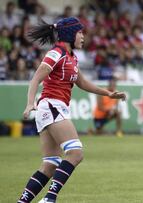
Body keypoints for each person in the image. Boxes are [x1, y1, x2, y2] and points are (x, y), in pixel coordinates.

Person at [17, 17, 126, 203]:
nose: (83, 36)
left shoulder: (71, 57)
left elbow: (82, 82)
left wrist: (108, 94)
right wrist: (29, 103)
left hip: (53, 109)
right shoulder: (56, 53)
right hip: (51, 106)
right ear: (69, 34)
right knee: (76, 153)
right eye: (80, 32)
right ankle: (49, 199)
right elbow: (35, 78)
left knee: (50, 165)